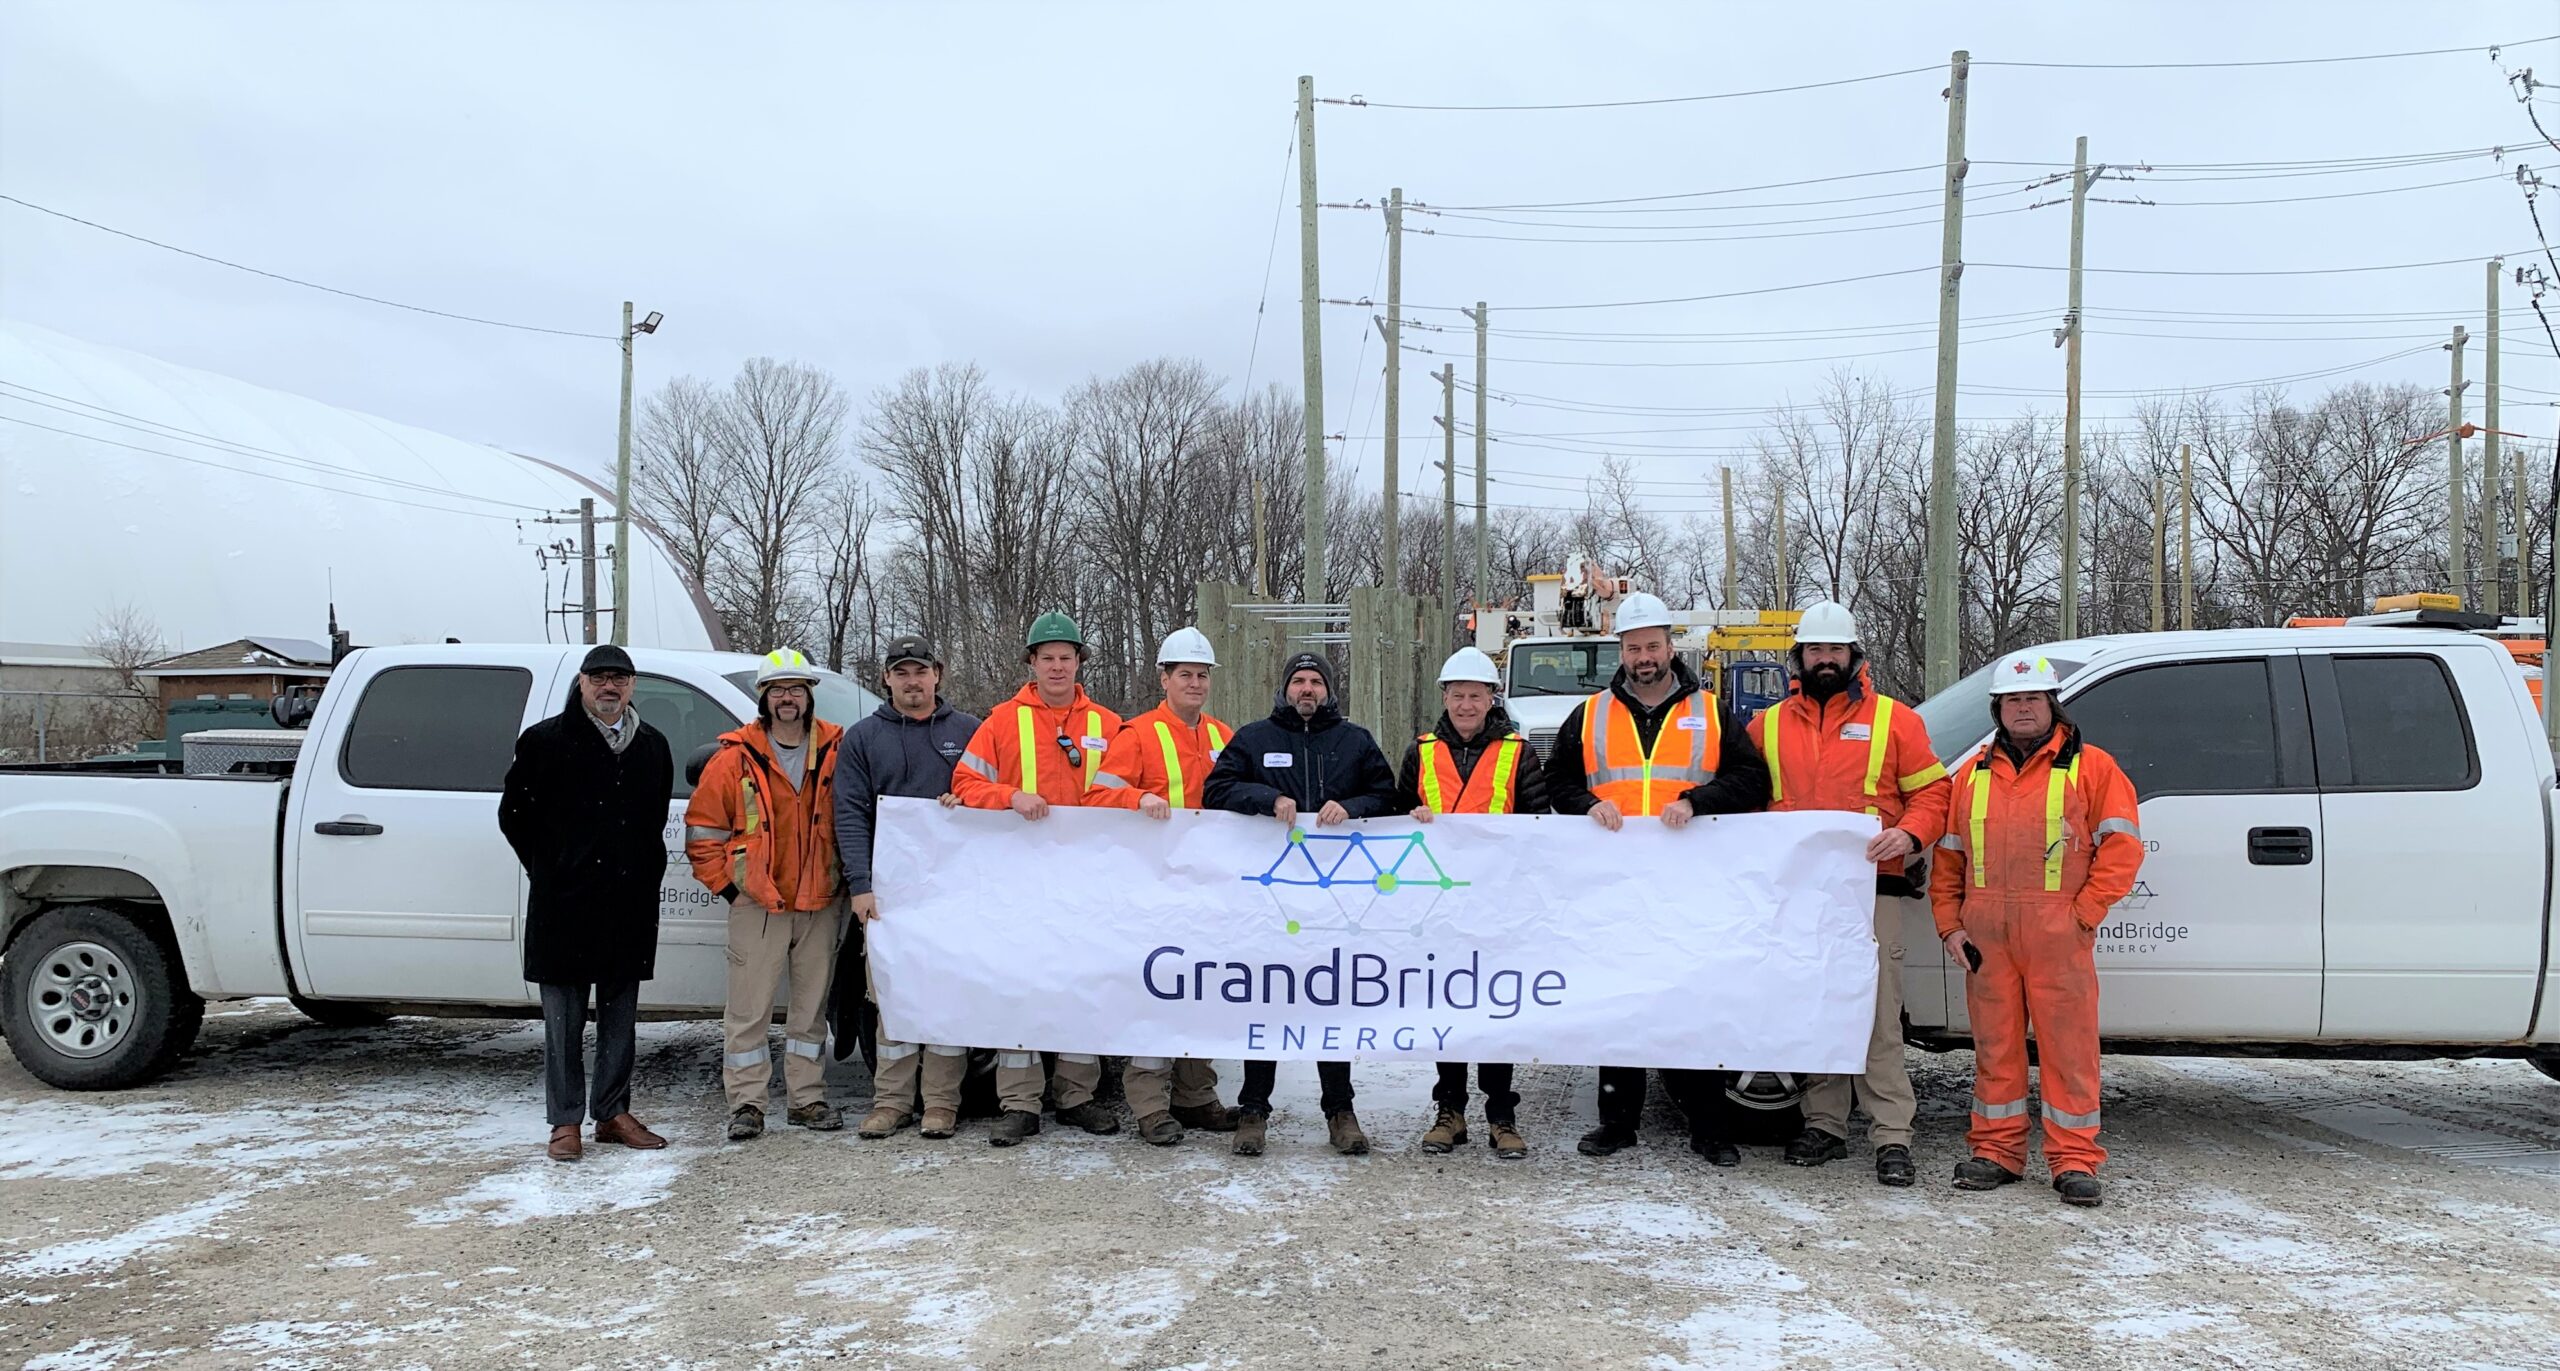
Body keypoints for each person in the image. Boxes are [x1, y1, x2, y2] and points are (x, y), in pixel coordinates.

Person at [1541, 591, 1770, 1166]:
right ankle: (1617, 1124)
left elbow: (1752, 782)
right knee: (1621, 1004)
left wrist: (1697, 801)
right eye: (1632, 647)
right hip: (1615, 887)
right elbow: (1555, 783)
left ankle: (1709, 1128)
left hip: (1690, 887)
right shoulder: (1590, 714)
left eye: (1652, 645)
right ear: (1620, 651)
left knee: (1692, 1005)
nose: (1643, 656)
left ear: (1671, 646)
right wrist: (1586, 804)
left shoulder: (1712, 712)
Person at [1744, 602, 1951, 1188]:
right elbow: (1742, 797)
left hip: (1872, 892)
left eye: (1835, 650)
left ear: (1854, 655)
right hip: (1797, 898)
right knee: (1816, 1009)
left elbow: (1934, 795)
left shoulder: (1895, 722)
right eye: (1816, 651)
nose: (1826, 660)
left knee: (1878, 1014)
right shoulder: (1769, 725)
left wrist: (1909, 835)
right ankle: (1825, 1124)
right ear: (1801, 658)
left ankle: (1891, 1135)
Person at [1930, 650, 2143, 1208]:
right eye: (2012, 701)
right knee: (1994, 1048)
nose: (2023, 709)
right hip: (1985, 937)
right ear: (1998, 709)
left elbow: (2121, 850)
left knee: (2068, 1050)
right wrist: (1950, 926)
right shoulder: (1973, 773)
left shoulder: (2092, 767)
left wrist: (2083, 915)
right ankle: (1996, 1151)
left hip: (2057, 935)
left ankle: (2074, 1159)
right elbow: (1949, 859)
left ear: (2053, 705)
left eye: (2033, 699)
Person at [1204, 651, 1401, 1158]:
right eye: (1299, 681)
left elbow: (1388, 797)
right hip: (1270, 898)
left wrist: (1353, 807)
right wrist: (1265, 798)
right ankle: (1253, 1110)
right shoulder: (1255, 738)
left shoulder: (1353, 741)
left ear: (1329, 690)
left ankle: (1340, 1110)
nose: (1307, 689)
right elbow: (1217, 788)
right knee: (1267, 1000)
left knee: (1329, 1003)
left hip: (1334, 900)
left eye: (1316, 681)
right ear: (1285, 689)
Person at [949, 611, 1127, 1146]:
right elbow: (964, 782)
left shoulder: (1108, 724)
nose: (1056, 666)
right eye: (1046, 657)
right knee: (1018, 987)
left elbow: (1124, 789)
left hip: (1086, 883)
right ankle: (1020, 1102)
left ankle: (1076, 1095)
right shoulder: (1002, 720)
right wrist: (1010, 796)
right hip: (1018, 886)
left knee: (1080, 986)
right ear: (1031, 663)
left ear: (1079, 663)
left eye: (1065, 657)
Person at [498, 644, 675, 1163]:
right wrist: (552, 869)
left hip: (629, 903)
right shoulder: (545, 741)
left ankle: (613, 1114)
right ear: (581, 683)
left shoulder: (652, 746)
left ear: (632, 686)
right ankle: (565, 1121)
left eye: (619, 678)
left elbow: (652, 821)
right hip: (565, 905)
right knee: (564, 1021)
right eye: (598, 677)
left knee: (621, 1017)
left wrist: (646, 873)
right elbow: (514, 816)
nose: (609, 687)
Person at [1393, 646, 1550, 1161]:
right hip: (1438, 904)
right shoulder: (1421, 751)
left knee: (1495, 1012)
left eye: (1474, 696)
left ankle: (1501, 1116)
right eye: (1457, 695)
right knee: (1449, 1008)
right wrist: (1409, 815)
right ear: (1445, 697)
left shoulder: (1517, 752)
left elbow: (1538, 822)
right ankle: (1450, 1111)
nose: (1465, 704)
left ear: (1490, 699)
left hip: (1496, 903)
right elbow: (1394, 817)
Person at [686, 648, 849, 1142]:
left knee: (810, 1010)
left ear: (808, 696)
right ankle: (748, 1104)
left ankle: (807, 1098)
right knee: (748, 1012)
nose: (787, 698)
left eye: (796, 689)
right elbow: (702, 834)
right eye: (777, 690)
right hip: (758, 902)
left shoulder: (838, 751)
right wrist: (730, 888)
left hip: (820, 901)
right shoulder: (733, 757)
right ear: (764, 697)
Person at [1088, 626, 1242, 1146]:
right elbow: (1096, 798)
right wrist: (1136, 800)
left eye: (1202, 675)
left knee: (1204, 990)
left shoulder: (1224, 736)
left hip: (1211, 889)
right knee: (1158, 993)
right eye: (1185, 674)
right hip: (1154, 889)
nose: (1195, 683)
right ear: (1165, 678)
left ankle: (1196, 1097)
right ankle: (1150, 1106)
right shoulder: (1138, 734)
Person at [834, 635, 983, 1141]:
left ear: (937, 674)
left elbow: (990, 796)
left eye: (920, 671)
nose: (912, 680)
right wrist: (860, 884)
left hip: (954, 892)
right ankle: (892, 1102)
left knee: (945, 996)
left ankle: (941, 1103)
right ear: (887, 678)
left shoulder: (969, 732)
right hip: (889, 894)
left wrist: (966, 800)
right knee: (892, 998)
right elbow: (849, 814)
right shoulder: (862, 739)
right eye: (901, 672)